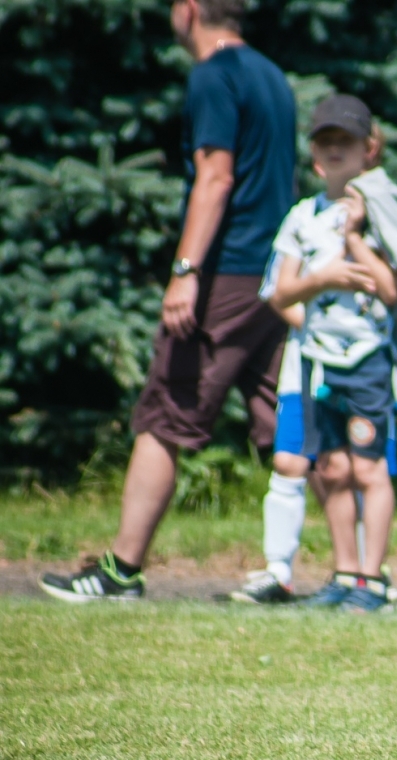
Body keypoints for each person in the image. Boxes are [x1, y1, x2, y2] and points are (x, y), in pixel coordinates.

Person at [40, 0, 295, 603]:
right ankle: (351, 573)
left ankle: (121, 570)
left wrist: (185, 270)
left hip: (226, 274)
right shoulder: (272, 76)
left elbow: (216, 177)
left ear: (190, 11)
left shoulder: (214, 74)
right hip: (276, 273)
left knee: (165, 414)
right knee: (284, 424)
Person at [233, 120, 397, 606]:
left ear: (368, 150)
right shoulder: (302, 217)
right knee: (329, 468)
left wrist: (356, 238)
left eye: (344, 141)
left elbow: (393, 289)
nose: (333, 150)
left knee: (369, 468)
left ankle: (373, 580)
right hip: (315, 363)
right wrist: (321, 280)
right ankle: (345, 576)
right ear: (313, 155)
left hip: (367, 360)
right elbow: (278, 292)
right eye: (324, 142)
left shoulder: (385, 211)